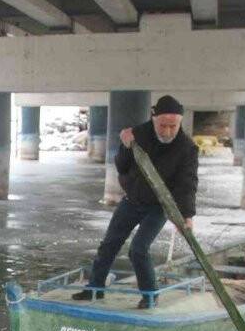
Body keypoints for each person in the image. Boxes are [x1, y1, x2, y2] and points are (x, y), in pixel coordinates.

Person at [74, 94, 199, 309]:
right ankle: (95, 289)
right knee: (109, 245)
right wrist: (124, 146)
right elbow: (122, 166)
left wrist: (186, 215)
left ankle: (150, 295)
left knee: (138, 249)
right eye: (163, 125)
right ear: (153, 118)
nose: (168, 131)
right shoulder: (138, 134)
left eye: (173, 126)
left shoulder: (187, 148)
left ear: (180, 122)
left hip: (159, 206)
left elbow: (187, 184)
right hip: (133, 200)